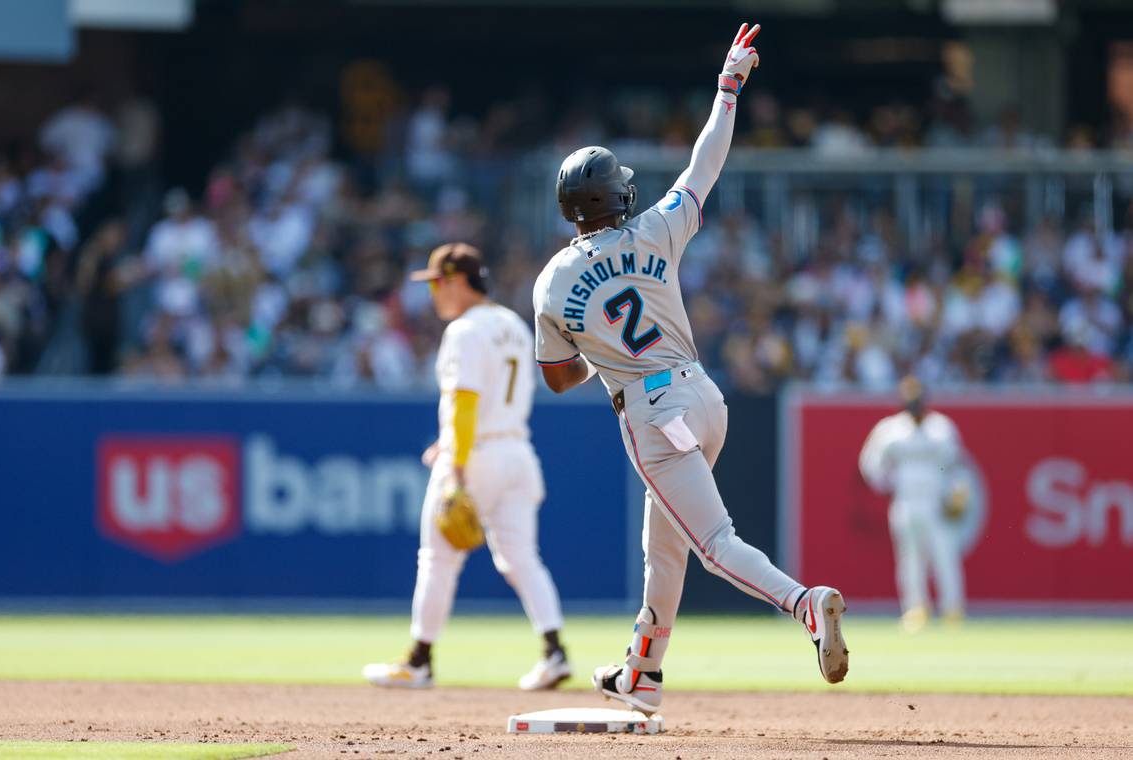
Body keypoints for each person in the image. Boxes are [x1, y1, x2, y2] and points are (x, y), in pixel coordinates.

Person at [532, 22, 848, 716]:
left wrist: (601, 356)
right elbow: (705, 163)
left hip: (650, 412)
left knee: (713, 544)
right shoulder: (655, 229)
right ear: (614, 196)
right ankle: (641, 673)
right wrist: (727, 86)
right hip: (704, 398)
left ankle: (804, 603)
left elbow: (558, 378)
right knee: (664, 543)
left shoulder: (552, 282)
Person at [363, 243, 570, 691]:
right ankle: (555, 651)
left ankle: (419, 660)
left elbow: (465, 397)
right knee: (522, 560)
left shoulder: (465, 330)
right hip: (517, 451)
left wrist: (455, 463)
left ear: (457, 281)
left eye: (437, 283)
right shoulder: (513, 324)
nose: (433, 293)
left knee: (437, 559)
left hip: (475, 458)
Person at [859, 376, 969, 632]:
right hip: (906, 501)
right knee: (910, 558)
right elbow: (871, 463)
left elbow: (957, 465)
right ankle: (915, 609)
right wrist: (886, 486)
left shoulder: (941, 428)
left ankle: (952, 609)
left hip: (936, 501)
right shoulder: (891, 430)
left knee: (944, 555)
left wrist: (957, 495)